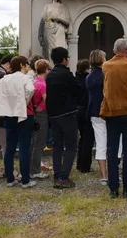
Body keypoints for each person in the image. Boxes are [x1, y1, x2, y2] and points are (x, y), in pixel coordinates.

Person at [100, 38, 127, 199]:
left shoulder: (106, 66)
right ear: (126, 50)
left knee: (112, 150)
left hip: (112, 112)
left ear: (114, 50)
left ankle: (113, 188)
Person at [0, 56, 37, 188]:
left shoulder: (5, 78)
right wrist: (23, 101)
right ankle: (25, 180)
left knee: (9, 147)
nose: (27, 68)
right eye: (26, 65)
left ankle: (10, 179)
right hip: (22, 114)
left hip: (8, 114)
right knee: (24, 147)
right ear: (22, 65)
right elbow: (31, 89)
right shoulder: (25, 78)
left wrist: (4, 100)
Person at [46, 47, 84, 189]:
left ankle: (57, 176)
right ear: (64, 59)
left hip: (54, 115)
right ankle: (63, 177)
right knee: (71, 146)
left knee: (57, 146)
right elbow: (77, 91)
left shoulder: (50, 75)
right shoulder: (67, 74)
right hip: (67, 113)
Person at [86, 49, 112, 185]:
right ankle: (112, 173)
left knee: (100, 143)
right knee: (112, 143)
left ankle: (104, 176)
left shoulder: (89, 76)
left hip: (94, 112)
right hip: (107, 111)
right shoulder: (106, 74)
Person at [30, 59, 50, 180]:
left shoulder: (34, 82)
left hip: (34, 114)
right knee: (39, 143)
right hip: (42, 115)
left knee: (34, 142)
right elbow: (47, 101)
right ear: (46, 69)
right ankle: (35, 170)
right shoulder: (43, 84)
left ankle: (32, 168)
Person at [75, 59, 95, 173]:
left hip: (78, 110)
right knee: (88, 139)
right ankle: (85, 166)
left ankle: (80, 163)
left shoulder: (75, 79)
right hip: (87, 110)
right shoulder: (88, 79)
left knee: (82, 138)